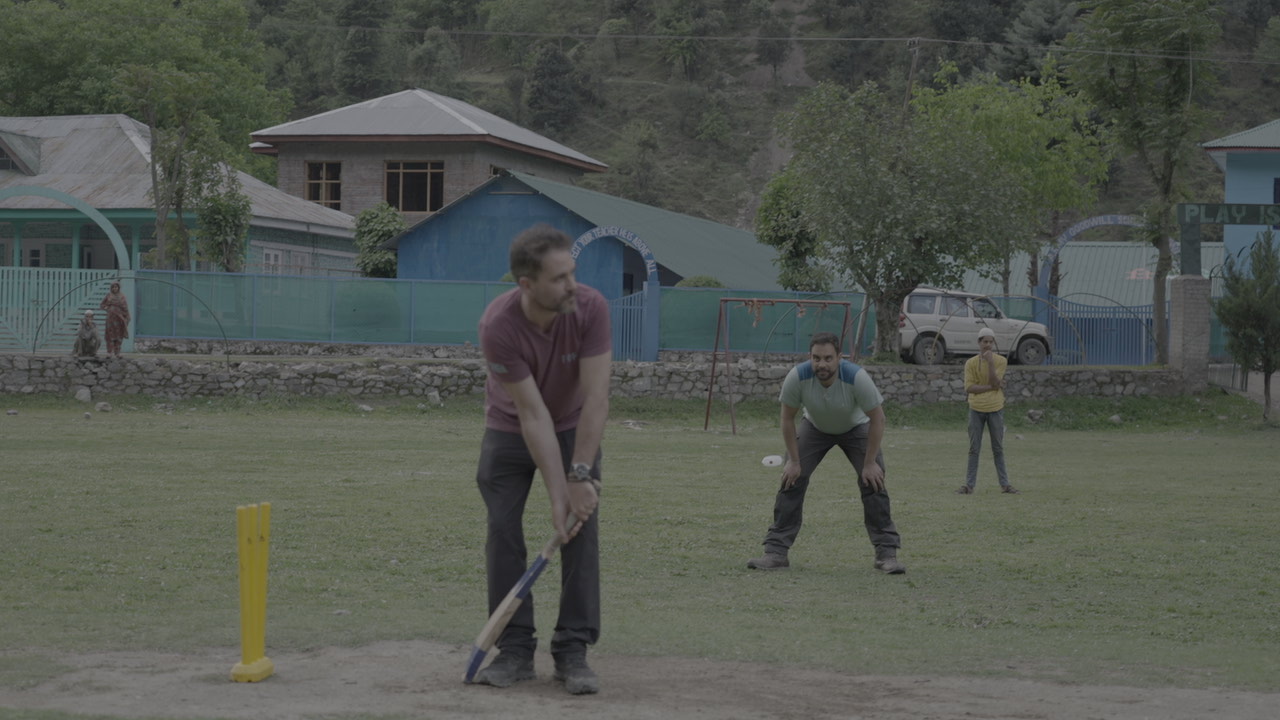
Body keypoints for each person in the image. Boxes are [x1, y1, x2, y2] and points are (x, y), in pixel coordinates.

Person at [471, 224, 611, 695]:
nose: (573, 284)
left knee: (580, 529)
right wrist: (557, 493)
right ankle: (514, 650)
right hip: (510, 427)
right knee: (503, 532)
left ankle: (572, 651)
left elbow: (596, 398)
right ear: (526, 285)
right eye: (559, 278)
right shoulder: (498, 325)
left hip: (576, 425)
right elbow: (532, 415)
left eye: (573, 272)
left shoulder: (590, 307)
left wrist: (579, 476)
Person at [746, 331, 906, 575]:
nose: (822, 364)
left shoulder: (856, 377)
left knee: (873, 481)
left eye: (828, 358)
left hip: (856, 427)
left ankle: (886, 554)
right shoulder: (798, 376)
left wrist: (871, 462)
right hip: (815, 427)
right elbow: (787, 419)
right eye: (816, 358)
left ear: (839, 357)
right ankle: (775, 553)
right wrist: (794, 461)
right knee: (791, 479)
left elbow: (878, 419)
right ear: (810, 357)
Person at [958, 327, 1018, 494]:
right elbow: (969, 387)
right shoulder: (970, 363)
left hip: (995, 408)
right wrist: (991, 387)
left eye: (991, 342)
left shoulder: (1000, 361)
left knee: (998, 448)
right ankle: (969, 486)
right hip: (976, 409)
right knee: (973, 448)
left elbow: (995, 382)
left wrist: (990, 362)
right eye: (985, 341)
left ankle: (1005, 485)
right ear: (979, 343)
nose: (988, 345)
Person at [99, 281, 130, 357]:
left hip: (119, 318)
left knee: (119, 335)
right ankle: (109, 352)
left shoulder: (122, 296)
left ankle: (117, 353)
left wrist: (127, 317)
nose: (114, 288)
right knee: (110, 335)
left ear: (118, 288)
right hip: (110, 318)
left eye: (116, 287)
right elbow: (102, 304)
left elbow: (125, 308)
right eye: (113, 287)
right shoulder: (108, 296)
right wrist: (107, 308)